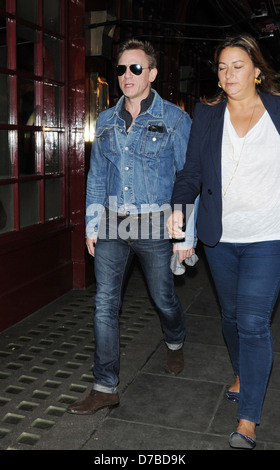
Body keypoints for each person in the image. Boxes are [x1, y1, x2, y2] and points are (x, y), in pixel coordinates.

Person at [67, 38, 197, 416]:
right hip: (112, 223)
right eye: (122, 68)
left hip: (157, 224)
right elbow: (96, 175)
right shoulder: (106, 120)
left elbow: (189, 177)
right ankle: (105, 386)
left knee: (163, 299)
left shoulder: (175, 119)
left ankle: (175, 341)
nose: (127, 75)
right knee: (105, 304)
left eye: (136, 68)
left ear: (152, 73)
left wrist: (184, 234)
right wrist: (92, 224)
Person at [167, 33, 280, 449]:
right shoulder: (207, 114)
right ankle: (242, 371)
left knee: (253, 322)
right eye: (221, 67)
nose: (228, 74)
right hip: (221, 237)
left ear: (256, 71)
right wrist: (179, 204)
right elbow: (192, 170)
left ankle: (248, 417)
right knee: (231, 317)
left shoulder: (278, 111)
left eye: (237, 66)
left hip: (270, 235)